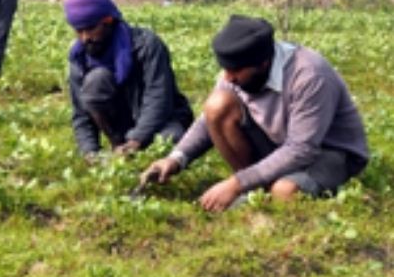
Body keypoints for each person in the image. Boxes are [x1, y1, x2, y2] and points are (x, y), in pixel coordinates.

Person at [142, 15, 369, 212]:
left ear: (263, 63)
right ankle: (255, 189)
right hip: (280, 144)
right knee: (217, 104)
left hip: (328, 152)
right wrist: (175, 159)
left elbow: (302, 149)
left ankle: (256, 194)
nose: (228, 78)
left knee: (285, 191)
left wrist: (236, 183)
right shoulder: (236, 72)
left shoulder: (309, 76)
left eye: (236, 71)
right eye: (226, 69)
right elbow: (208, 121)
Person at [64, 0, 194, 161]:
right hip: (122, 129)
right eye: (79, 31)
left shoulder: (147, 45)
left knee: (169, 140)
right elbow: (81, 112)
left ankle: (131, 150)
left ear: (108, 21)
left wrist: (137, 139)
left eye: (90, 29)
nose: (85, 38)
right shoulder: (80, 58)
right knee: (96, 81)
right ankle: (119, 146)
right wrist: (89, 151)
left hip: (162, 121)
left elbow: (158, 98)